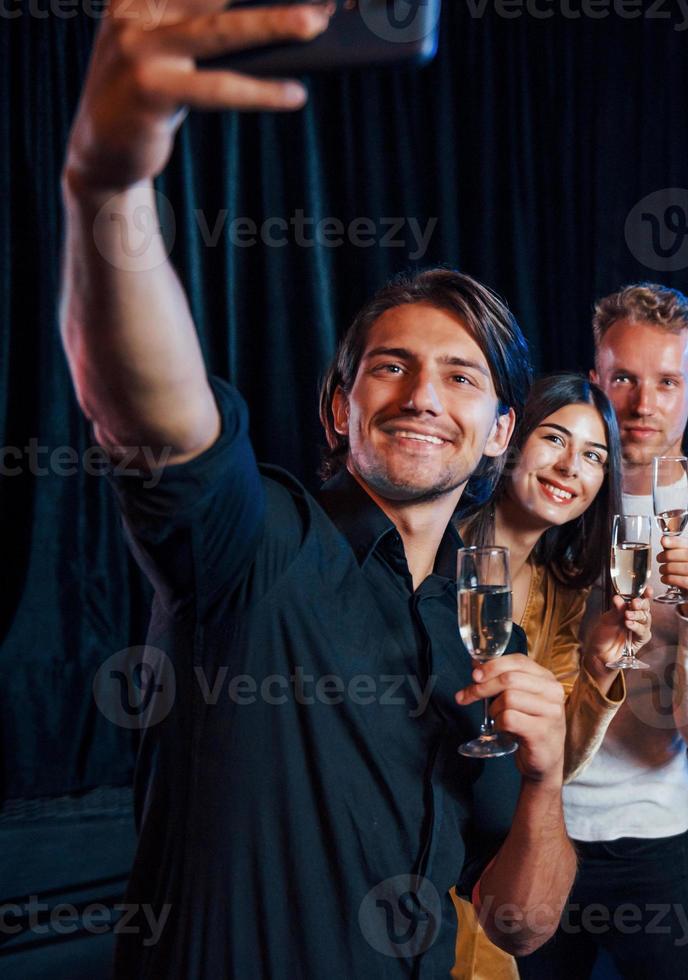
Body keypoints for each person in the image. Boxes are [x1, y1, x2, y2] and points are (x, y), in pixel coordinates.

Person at [60, 8, 574, 975]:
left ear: (502, 433)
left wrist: (545, 783)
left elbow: (518, 926)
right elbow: (150, 409)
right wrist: (109, 183)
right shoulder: (253, 548)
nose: (424, 395)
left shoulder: (479, 626)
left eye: (463, 377)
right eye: (392, 367)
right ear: (339, 407)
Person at [515, 284, 688, 979]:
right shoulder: (553, 492)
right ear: (596, 380)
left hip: (656, 836)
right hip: (537, 820)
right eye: (623, 379)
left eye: (667, 382)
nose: (643, 405)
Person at [451, 374, 656, 980]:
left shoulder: (558, 588)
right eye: (555, 439)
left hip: (485, 876)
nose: (571, 467)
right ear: (508, 438)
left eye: (594, 456)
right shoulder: (436, 546)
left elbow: (554, 762)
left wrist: (597, 669)